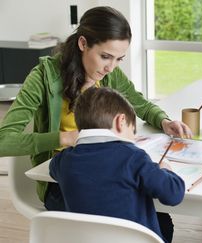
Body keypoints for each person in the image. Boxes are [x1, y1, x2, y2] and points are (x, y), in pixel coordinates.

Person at [0, 6, 191, 242]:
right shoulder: (43, 77)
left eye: (119, 59)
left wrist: (163, 120)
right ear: (83, 43)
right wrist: (64, 138)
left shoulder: (109, 75)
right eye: (105, 56)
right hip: (63, 179)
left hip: (105, 164)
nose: (111, 67)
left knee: (161, 220)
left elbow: (138, 102)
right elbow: (3, 142)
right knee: (141, 215)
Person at [49, 87, 185, 242]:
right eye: (133, 131)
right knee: (165, 225)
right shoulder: (133, 158)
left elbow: (53, 167)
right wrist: (165, 169)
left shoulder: (65, 160)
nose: (133, 138)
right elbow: (174, 194)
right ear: (121, 122)